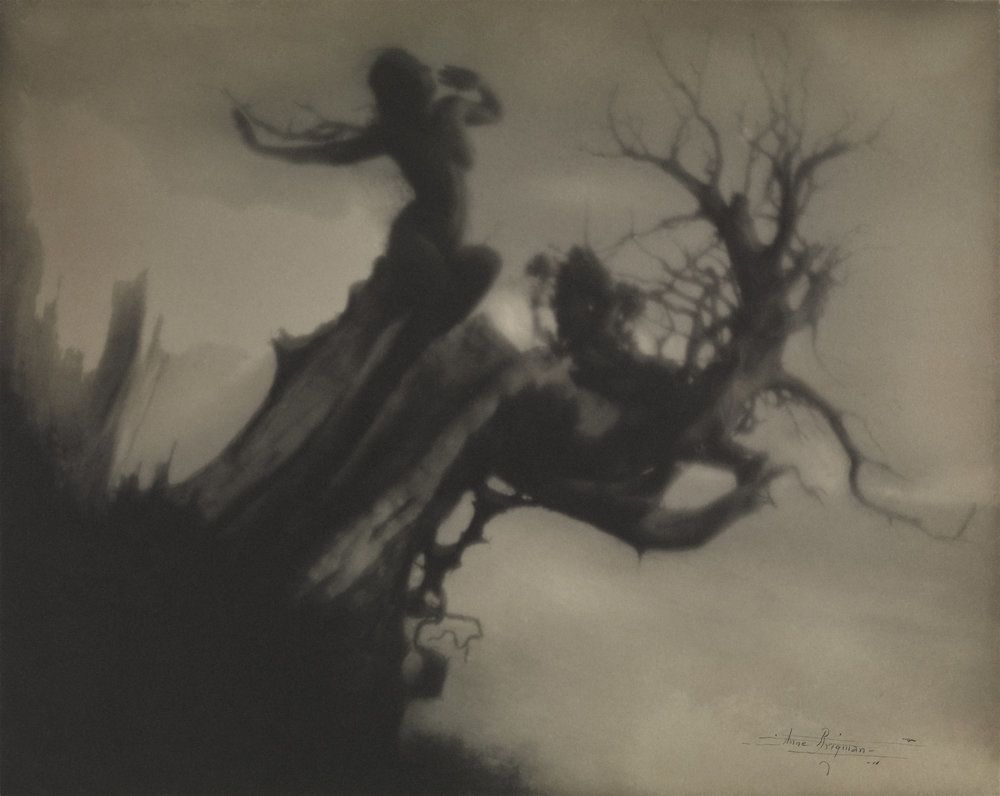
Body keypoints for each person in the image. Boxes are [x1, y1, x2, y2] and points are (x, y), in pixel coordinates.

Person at [232, 48, 502, 329]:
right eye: (417, 71)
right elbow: (327, 153)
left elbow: (495, 112)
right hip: (418, 235)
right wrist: (260, 148)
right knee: (430, 307)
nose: (427, 71)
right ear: (403, 90)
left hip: (448, 238)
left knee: (487, 264)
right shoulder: (394, 132)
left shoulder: (452, 108)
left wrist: (480, 83)